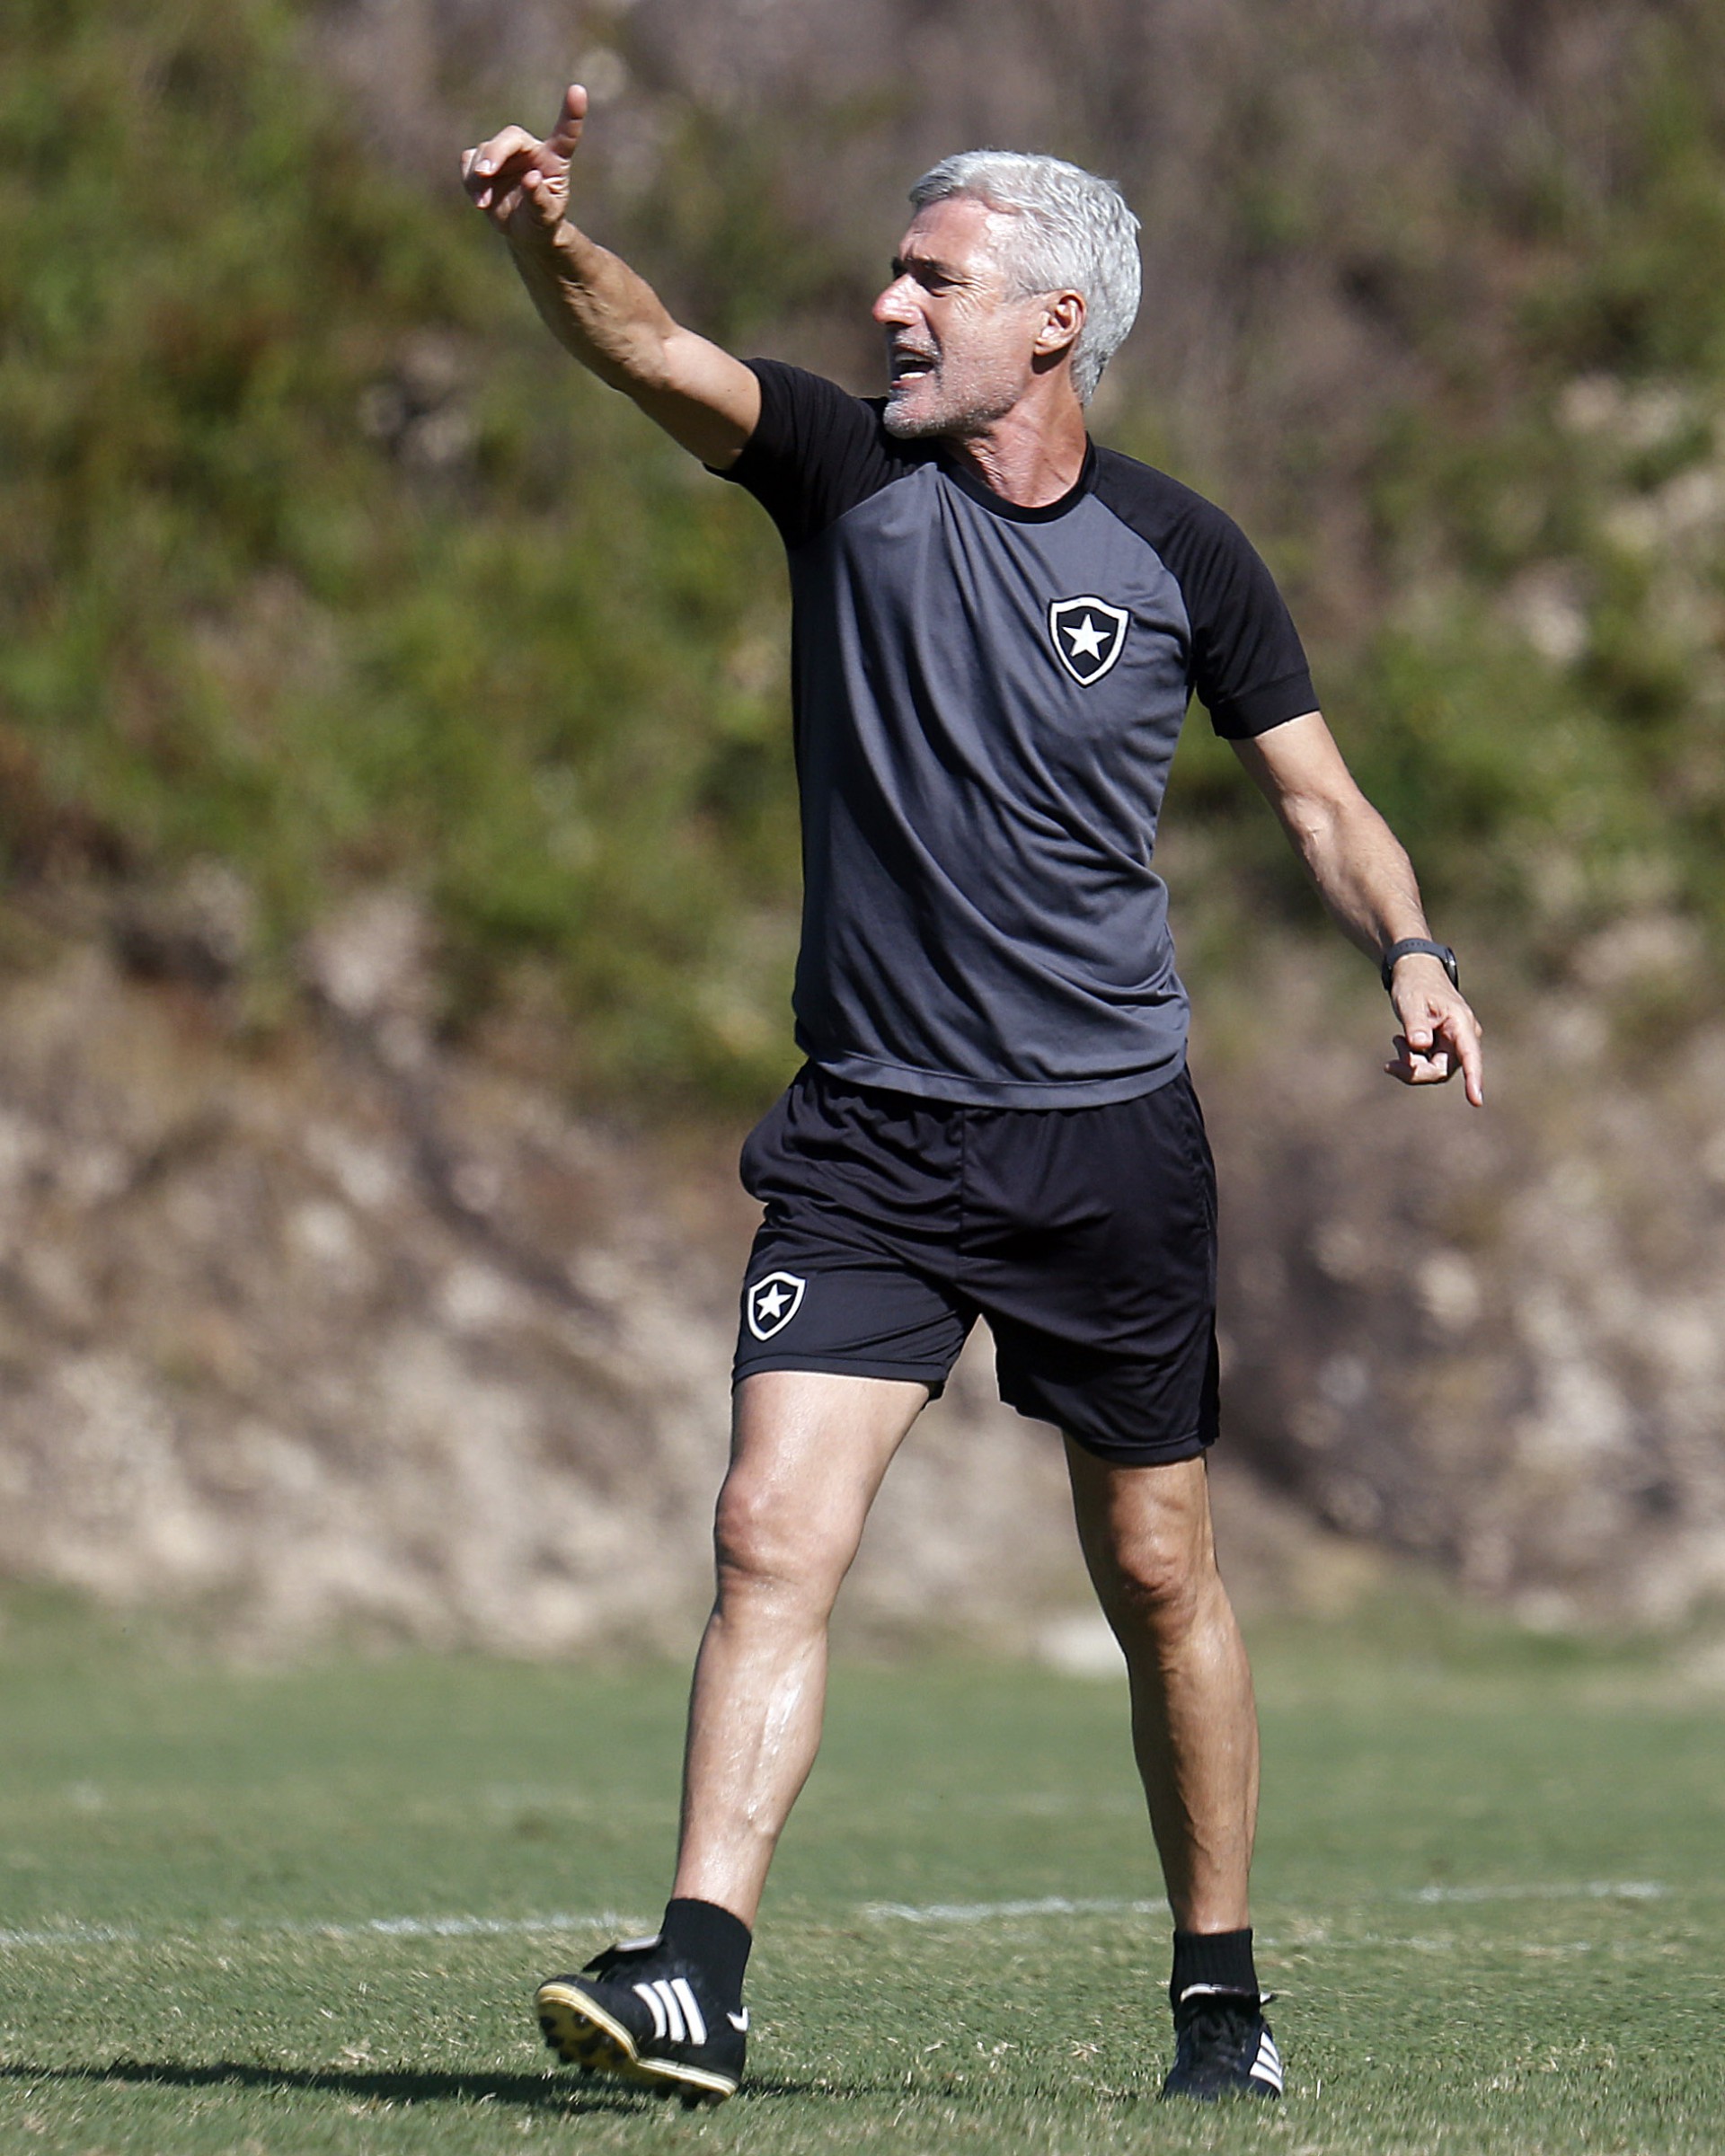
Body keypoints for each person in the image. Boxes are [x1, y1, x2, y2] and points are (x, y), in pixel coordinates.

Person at [462, 86, 1483, 2108]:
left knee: (1161, 1571)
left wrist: (1415, 948)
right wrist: (540, 241)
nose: (889, 305)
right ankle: (696, 1977)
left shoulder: (1184, 552)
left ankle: (1219, 1997)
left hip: (1106, 1142)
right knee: (768, 1533)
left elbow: (1320, 798)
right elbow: (643, 342)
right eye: (898, 273)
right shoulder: (841, 475)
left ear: (1057, 321)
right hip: (869, 1136)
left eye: (934, 279)